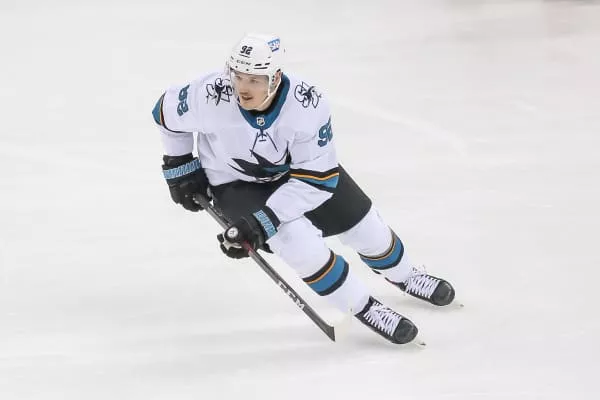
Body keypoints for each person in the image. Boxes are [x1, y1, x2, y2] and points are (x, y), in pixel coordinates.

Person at [152, 33, 456, 345]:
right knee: (300, 246)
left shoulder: (307, 104)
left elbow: (316, 180)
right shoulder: (210, 93)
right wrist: (180, 164)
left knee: (368, 230)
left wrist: (263, 221)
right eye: (238, 76)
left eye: (254, 80)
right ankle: (364, 306)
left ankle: (406, 275)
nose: (242, 87)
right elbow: (165, 112)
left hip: (302, 177)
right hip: (235, 185)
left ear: (275, 78)